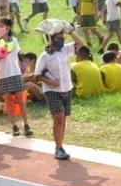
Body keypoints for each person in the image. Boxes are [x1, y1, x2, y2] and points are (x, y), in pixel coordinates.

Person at [35, 27, 85, 160]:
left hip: (66, 88)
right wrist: (49, 82)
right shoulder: (44, 56)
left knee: (63, 120)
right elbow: (37, 75)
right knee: (59, 118)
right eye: (58, 38)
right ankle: (58, 148)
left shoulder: (65, 50)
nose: (61, 40)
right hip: (52, 91)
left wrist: (70, 32)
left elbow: (81, 44)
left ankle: (60, 144)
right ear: (50, 39)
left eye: (62, 37)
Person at [0, 18, 31, 137]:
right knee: (8, 100)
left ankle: (26, 124)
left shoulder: (13, 40)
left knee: (20, 99)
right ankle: (14, 126)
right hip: (3, 75)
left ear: (7, 28)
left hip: (14, 73)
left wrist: (23, 65)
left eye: (1, 26)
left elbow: (17, 54)